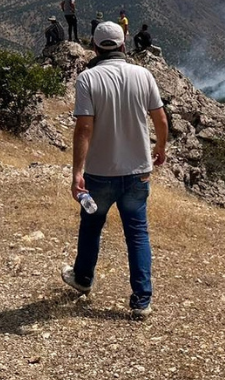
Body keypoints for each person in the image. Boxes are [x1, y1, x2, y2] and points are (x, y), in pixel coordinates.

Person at [62, 21, 168, 319]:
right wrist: (160, 149)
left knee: (92, 226)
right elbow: (160, 118)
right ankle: (141, 300)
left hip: (99, 172)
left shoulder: (87, 79)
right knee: (137, 233)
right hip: (138, 171)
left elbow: (84, 127)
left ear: (94, 47)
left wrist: (77, 172)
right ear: (123, 45)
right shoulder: (143, 75)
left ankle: (83, 279)